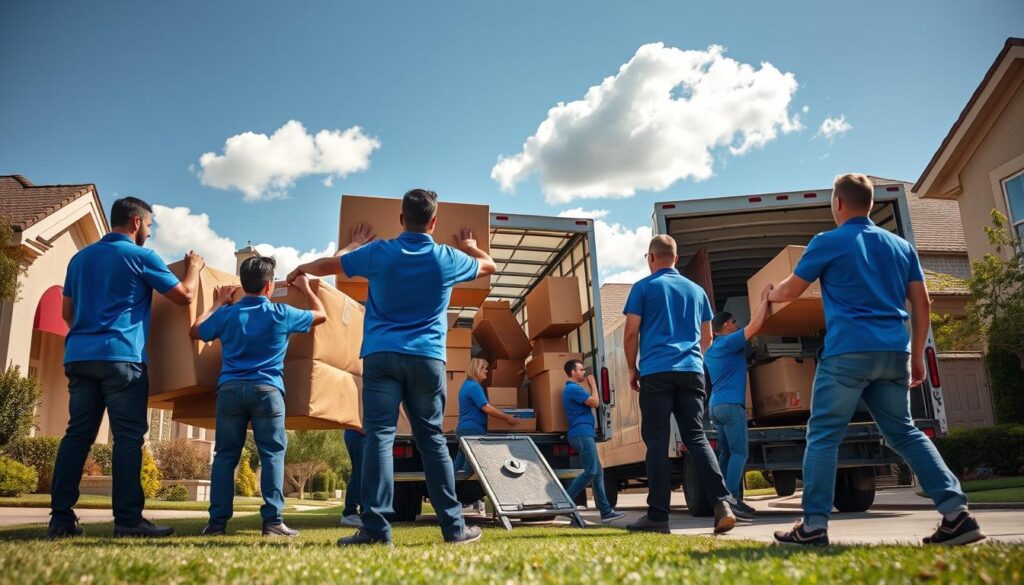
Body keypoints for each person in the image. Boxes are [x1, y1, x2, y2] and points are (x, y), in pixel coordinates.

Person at [770, 173, 984, 547]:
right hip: (894, 353)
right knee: (904, 432)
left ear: (837, 203)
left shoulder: (827, 242)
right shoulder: (901, 247)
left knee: (822, 437)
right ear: (869, 204)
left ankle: (814, 526)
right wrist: (917, 354)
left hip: (847, 355)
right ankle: (956, 515)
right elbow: (922, 302)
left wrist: (770, 294)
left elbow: (792, 290)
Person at [288, 188, 497, 547]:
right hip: (428, 360)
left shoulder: (380, 252)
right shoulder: (446, 257)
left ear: (401, 218)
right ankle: (454, 529)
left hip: (382, 357)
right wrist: (471, 245)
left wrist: (302, 268)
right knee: (431, 441)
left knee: (379, 439)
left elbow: (329, 266)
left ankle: (375, 531)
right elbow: (490, 265)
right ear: (434, 222)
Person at [49, 197, 204, 539]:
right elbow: (184, 296)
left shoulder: (79, 259)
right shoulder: (141, 256)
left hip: (79, 356)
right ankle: (128, 519)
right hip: (121, 359)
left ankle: (60, 518)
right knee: (128, 439)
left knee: (77, 436)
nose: (149, 231)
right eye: (149, 225)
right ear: (136, 223)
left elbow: (67, 314)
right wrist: (194, 267)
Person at [192, 257, 327, 537]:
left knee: (225, 456)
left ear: (242, 285)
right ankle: (273, 522)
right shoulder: (281, 313)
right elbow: (320, 314)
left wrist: (218, 302)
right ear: (269, 286)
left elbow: (196, 330)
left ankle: (217, 524)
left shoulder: (227, 314)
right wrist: (304, 287)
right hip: (267, 392)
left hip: (229, 390)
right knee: (272, 455)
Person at [622, 235, 736, 535]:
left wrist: (632, 368)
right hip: (692, 371)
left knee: (657, 443)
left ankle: (658, 516)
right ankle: (723, 502)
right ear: (675, 256)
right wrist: (692, 360)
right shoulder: (697, 291)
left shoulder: (643, 288)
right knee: (696, 437)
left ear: (651, 258)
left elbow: (631, 332)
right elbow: (708, 337)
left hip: (656, 373)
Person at [704, 284, 772, 521]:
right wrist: (764, 299)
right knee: (740, 452)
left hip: (716, 406)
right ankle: (731, 498)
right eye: (733, 321)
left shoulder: (712, 350)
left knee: (725, 454)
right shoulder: (728, 342)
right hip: (732, 405)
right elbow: (755, 327)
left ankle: (722, 502)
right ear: (725, 326)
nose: (736, 324)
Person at [562, 359, 626, 523]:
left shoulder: (573, 389)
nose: (584, 372)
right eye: (581, 370)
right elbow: (595, 402)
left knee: (598, 473)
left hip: (584, 433)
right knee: (591, 471)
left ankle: (605, 512)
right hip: (581, 434)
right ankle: (564, 503)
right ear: (573, 372)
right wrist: (593, 385)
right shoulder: (573, 389)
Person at [452, 358, 519, 473]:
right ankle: (446, 487)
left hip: (466, 429)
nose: (486, 371)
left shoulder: (467, 385)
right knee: (470, 468)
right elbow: (487, 408)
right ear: (476, 370)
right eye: (484, 369)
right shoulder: (474, 387)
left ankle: (445, 486)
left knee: (460, 464)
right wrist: (508, 417)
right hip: (472, 431)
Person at [340, 429, 366, 528]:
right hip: (358, 434)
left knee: (364, 474)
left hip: (360, 435)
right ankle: (349, 514)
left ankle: (365, 514)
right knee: (360, 473)